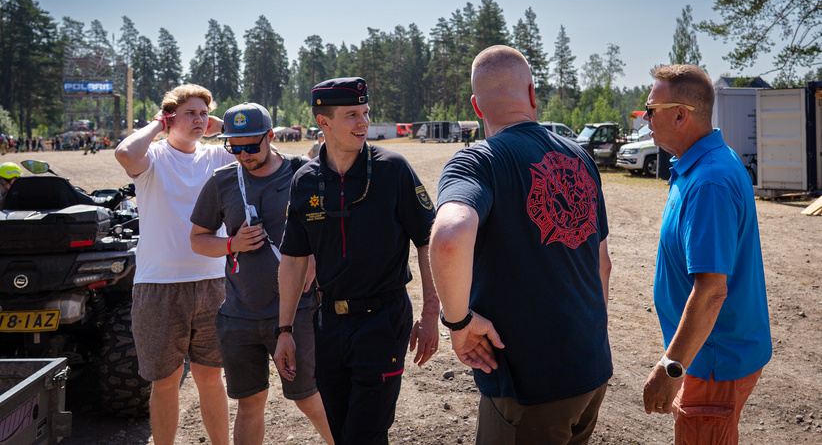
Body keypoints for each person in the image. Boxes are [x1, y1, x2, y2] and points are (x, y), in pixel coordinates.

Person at [429, 45, 613, 445]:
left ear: (477, 107)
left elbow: (448, 239)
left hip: (529, 388)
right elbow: (603, 265)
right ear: (532, 94)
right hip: (592, 371)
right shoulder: (580, 157)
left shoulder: (477, 162)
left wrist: (458, 323)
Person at [273, 77, 440, 445]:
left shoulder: (393, 169)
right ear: (324, 122)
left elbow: (428, 240)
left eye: (365, 112)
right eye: (352, 115)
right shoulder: (305, 181)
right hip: (329, 323)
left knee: (365, 434)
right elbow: (294, 260)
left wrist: (431, 312)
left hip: (383, 321)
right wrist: (284, 331)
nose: (364, 122)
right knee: (341, 431)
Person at [641, 64, 771, 444]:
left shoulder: (709, 181)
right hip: (707, 352)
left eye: (651, 109)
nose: (645, 118)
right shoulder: (701, 164)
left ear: (680, 115)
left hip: (712, 360)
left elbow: (712, 290)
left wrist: (672, 366)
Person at [189, 102, 332, 445]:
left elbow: (334, 228)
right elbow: (197, 240)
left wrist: (316, 253)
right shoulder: (223, 181)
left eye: (251, 147)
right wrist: (231, 244)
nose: (243, 155)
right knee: (249, 402)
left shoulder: (304, 173)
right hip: (240, 313)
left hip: (297, 310)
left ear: (270, 136)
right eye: (234, 147)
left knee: (309, 398)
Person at [114, 84, 234, 445]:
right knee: (165, 381)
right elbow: (124, 153)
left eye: (204, 113)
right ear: (169, 117)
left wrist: (221, 126)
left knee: (210, 378)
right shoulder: (153, 157)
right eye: (190, 113)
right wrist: (157, 124)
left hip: (213, 281)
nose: (199, 119)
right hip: (158, 285)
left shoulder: (218, 156)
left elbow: (265, 152)